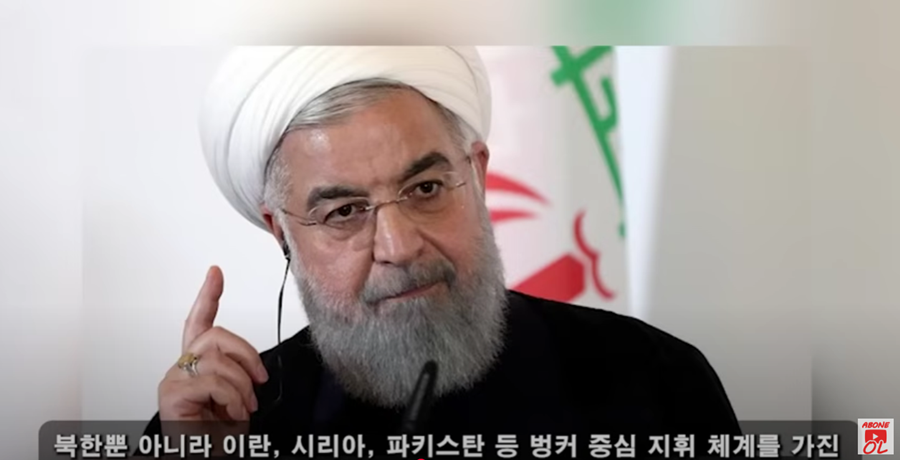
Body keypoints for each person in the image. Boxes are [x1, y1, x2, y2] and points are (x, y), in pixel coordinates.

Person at [146, 47, 740, 457]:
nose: (399, 247)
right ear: (281, 232)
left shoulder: (656, 378)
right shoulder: (228, 419)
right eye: (345, 212)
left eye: (426, 189)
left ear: (477, 174)